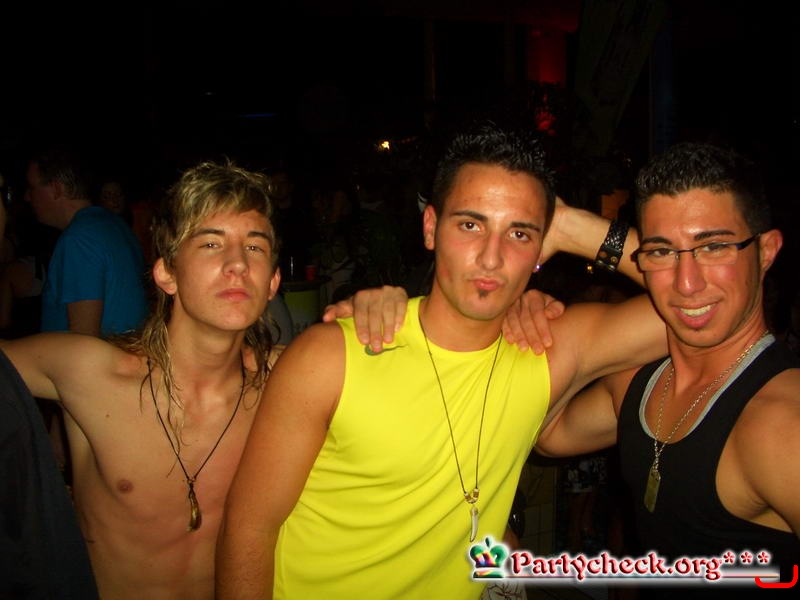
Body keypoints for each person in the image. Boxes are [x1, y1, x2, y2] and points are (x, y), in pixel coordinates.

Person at [215, 120, 669, 599]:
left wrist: (577, 228)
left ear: (541, 246)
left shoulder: (548, 350)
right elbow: (249, 529)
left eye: (519, 233)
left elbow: (698, 304)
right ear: (430, 227)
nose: (491, 257)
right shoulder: (332, 356)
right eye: (471, 225)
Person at [0, 160, 397, 600]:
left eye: (254, 247)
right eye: (211, 243)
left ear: (272, 283)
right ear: (167, 273)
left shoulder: (289, 382)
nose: (237, 264)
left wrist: (380, 313)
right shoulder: (90, 372)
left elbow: (411, 373)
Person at [533, 143, 800, 595]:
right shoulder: (639, 382)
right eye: (661, 252)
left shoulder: (781, 424)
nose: (687, 283)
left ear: (766, 251)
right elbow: (549, 434)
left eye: (714, 246)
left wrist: (582, 233)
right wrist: (530, 317)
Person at [25, 144, 147, 337]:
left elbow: (84, 339)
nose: (27, 197)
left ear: (56, 188)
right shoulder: (116, 225)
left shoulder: (80, 238)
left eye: (32, 188)